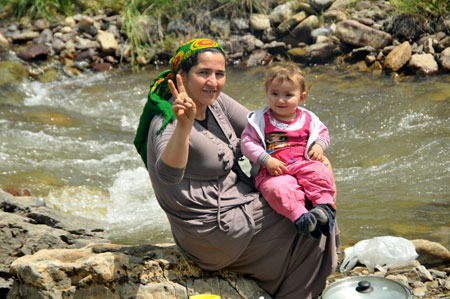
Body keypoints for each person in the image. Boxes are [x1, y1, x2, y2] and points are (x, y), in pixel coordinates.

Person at [134, 38, 339, 299]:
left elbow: (267, 129)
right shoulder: (166, 121)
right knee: (310, 218)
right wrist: (184, 128)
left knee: (318, 203)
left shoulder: (216, 102)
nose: (213, 82)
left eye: (219, 74)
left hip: (238, 204)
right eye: (203, 73)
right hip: (212, 228)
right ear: (181, 76)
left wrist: (316, 155)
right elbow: (168, 174)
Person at [241, 63, 336, 239]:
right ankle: (302, 217)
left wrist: (318, 146)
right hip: (274, 170)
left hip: (303, 162)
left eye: (288, 95)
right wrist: (265, 159)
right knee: (277, 188)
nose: (280, 100)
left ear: (301, 97)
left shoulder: (308, 118)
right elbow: (247, 142)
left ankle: (324, 207)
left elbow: (323, 133)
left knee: (320, 172)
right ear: (267, 93)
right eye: (274, 94)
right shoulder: (260, 119)